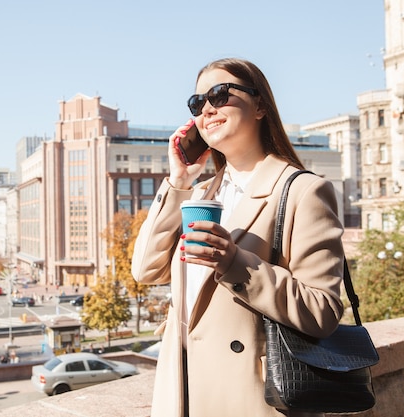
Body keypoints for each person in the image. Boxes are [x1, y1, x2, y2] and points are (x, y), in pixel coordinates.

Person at [131, 58, 345, 417]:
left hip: (250, 398)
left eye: (220, 94)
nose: (208, 108)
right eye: (197, 103)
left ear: (260, 105)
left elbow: (322, 310)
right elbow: (145, 270)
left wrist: (234, 263)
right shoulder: (198, 196)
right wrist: (178, 181)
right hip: (181, 392)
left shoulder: (302, 191)